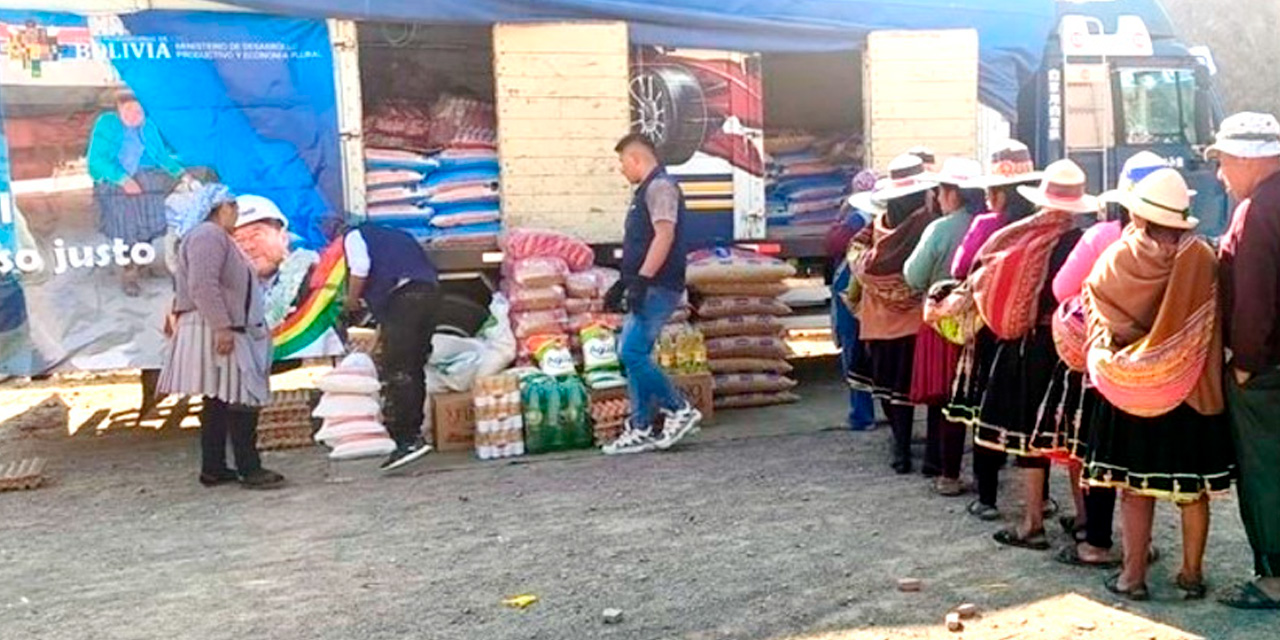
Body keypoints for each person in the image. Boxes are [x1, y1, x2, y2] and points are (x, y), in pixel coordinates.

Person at [1082, 168, 1235, 601]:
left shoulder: (1119, 257)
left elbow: (1100, 315)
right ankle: (1191, 574)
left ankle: (1133, 577)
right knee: (1191, 490)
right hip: (1192, 391)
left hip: (1133, 392)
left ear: (1141, 216)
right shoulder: (1202, 259)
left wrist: (1139, 350)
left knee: (1135, 488)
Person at [1048, 151, 1170, 569]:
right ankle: (1140, 549)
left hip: (1104, 364)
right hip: (1158, 369)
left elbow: (1063, 289)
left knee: (1096, 452)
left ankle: (1095, 543)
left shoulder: (1103, 238)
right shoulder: (1186, 247)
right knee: (1141, 461)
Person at [968, 160, 1093, 549]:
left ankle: (1032, 522)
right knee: (1072, 435)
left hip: (1032, 343)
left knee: (1029, 438)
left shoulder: (1023, 240)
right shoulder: (1084, 241)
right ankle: (1086, 520)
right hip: (1072, 346)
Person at [157, 184, 284, 489]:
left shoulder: (208, 237)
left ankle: (213, 467)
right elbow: (203, 284)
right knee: (242, 398)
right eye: (234, 209)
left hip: (218, 325)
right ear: (220, 208)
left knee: (217, 400)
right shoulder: (208, 235)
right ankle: (249, 468)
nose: (236, 216)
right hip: (218, 328)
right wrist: (222, 327)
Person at [945, 140, 1042, 521]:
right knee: (1030, 416)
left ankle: (987, 499)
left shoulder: (988, 226)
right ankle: (1041, 500)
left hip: (989, 331)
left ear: (999, 193)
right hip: (1030, 335)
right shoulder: (1044, 224)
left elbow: (959, 269)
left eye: (990, 190)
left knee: (986, 414)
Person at [1212, 111, 1280, 610]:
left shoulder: (1257, 211)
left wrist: (1245, 363)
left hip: (1268, 372)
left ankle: (1275, 578)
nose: (1220, 176)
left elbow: (1255, 297)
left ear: (1244, 159)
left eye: (1222, 163)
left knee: (1266, 473)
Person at [601, 133, 702, 455]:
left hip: (659, 284)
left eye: (621, 162)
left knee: (631, 352)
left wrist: (642, 280)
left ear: (636, 159)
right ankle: (641, 426)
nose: (621, 169)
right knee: (632, 354)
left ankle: (679, 408)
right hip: (646, 283)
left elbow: (664, 235)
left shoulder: (660, 187)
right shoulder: (645, 190)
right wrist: (624, 282)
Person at [848, 153, 938, 473]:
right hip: (916, 321)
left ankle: (900, 450)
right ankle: (929, 455)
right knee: (918, 389)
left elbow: (858, 261)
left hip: (878, 322)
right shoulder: (927, 225)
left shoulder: (876, 228)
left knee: (887, 389)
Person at [904, 158, 983, 495]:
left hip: (944, 323)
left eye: (939, 191)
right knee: (978, 400)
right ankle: (985, 474)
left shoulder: (939, 229)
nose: (936, 198)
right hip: (983, 323)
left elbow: (914, 275)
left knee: (944, 398)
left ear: (952, 194)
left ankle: (941, 467)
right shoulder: (991, 225)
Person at [343, 222, 441, 471]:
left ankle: (407, 440)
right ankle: (417, 434)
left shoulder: (354, 236)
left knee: (398, 369)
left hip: (405, 298)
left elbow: (361, 268)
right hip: (429, 293)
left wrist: (352, 300)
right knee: (414, 365)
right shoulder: (394, 234)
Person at [87, 89, 188, 296]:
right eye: (128, 110)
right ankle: (129, 274)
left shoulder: (148, 126)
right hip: (115, 181)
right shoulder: (107, 124)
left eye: (138, 111)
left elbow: (161, 155)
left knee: (150, 224)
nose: (134, 116)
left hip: (146, 179)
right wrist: (123, 180)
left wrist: (182, 174)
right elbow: (96, 160)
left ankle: (142, 261)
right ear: (118, 109)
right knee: (126, 229)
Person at [828, 169, 879, 431]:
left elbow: (833, 244)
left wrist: (840, 215)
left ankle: (862, 414)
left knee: (854, 354)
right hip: (874, 296)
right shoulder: (885, 219)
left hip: (852, 294)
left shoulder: (855, 221)